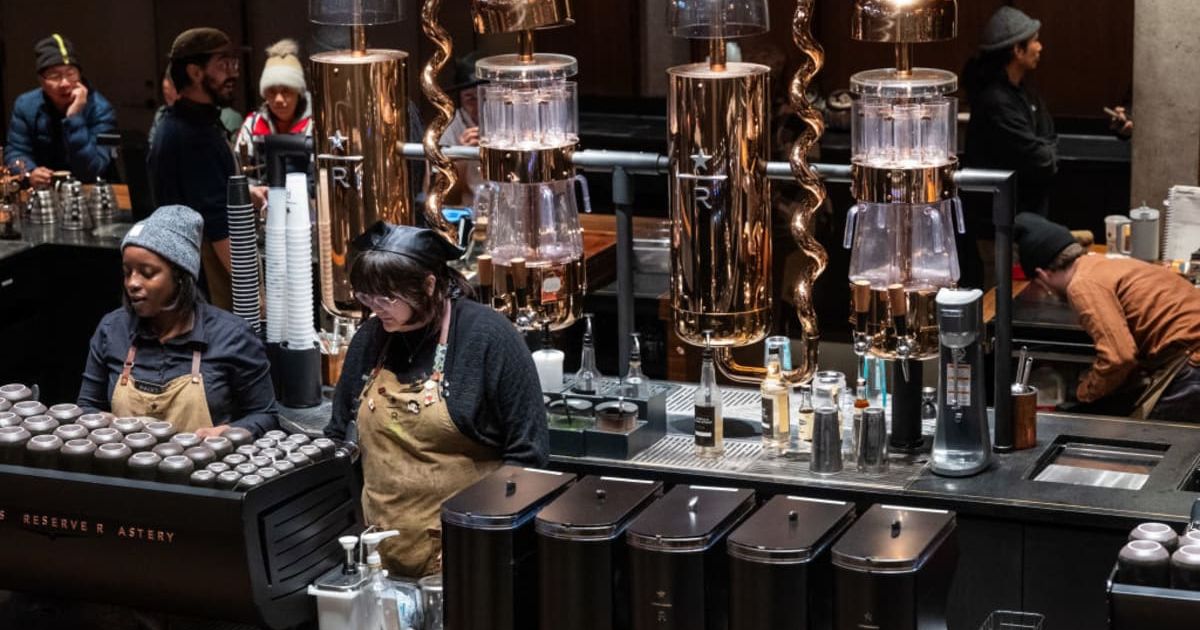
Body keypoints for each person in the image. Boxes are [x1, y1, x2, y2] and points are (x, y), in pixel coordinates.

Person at [325, 221, 547, 577]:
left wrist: (481, 541)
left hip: (465, 552)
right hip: (378, 550)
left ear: (428, 285)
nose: (376, 309)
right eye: (367, 297)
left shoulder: (489, 337)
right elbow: (338, 434)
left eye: (387, 298)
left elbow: (528, 457)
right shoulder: (371, 339)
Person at [77, 205, 279, 437]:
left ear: (181, 277)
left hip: (208, 469)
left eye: (147, 272)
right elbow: (86, 406)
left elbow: (266, 415)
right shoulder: (112, 330)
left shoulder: (233, 336)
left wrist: (230, 432)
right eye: (127, 271)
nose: (132, 283)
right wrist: (97, 419)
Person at [1016, 212, 1200, 422]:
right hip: (1186, 355)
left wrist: (1085, 394)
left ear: (1042, 274)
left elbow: (1119, 358)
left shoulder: (1082, 285)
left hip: (1192, 365)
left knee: (1148, 440)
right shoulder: (1106, 264)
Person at [149, 27, 247, 311]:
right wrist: (255, 294)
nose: (233, 73)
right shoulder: (192, 137)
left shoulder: (181, 122)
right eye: (223, 64)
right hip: (205, 282)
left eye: (234, 64)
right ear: (195, 72)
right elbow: (215, 222)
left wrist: (245, 194)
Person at [964, 7, 1057, 217]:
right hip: (1001, 223)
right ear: (1017, 50)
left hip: (1024, 215)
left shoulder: (1024, 91)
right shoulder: (996, 102)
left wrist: (1046, 152)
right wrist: (1046, 152)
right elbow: (1040, 160)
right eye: (1035, 40)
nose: (1040, 47)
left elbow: (1050, 138)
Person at [4, 34, 116, 186]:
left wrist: (74, 116)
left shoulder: (101, 109)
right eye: (54, 75)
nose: (64, 83)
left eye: (71, 74)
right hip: (44, 194)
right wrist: (29, 173)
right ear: (41, 81)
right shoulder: (25, 105)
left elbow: (92, 170)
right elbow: (15, 152)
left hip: (90, 192)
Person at [234, 39, 313, 170]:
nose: (278, 99)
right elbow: (239, 171)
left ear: (298, 94)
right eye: (271, 91)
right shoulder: (252, 125)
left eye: (286, 91)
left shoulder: (314, 127)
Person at [439, 52, 484, 207]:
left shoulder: (506, 121)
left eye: (484, 97)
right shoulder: (449, 128)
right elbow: (444, 197)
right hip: (469, 210)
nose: (479, 105)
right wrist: (463, 156)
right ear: (460, 97)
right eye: (470, 98)